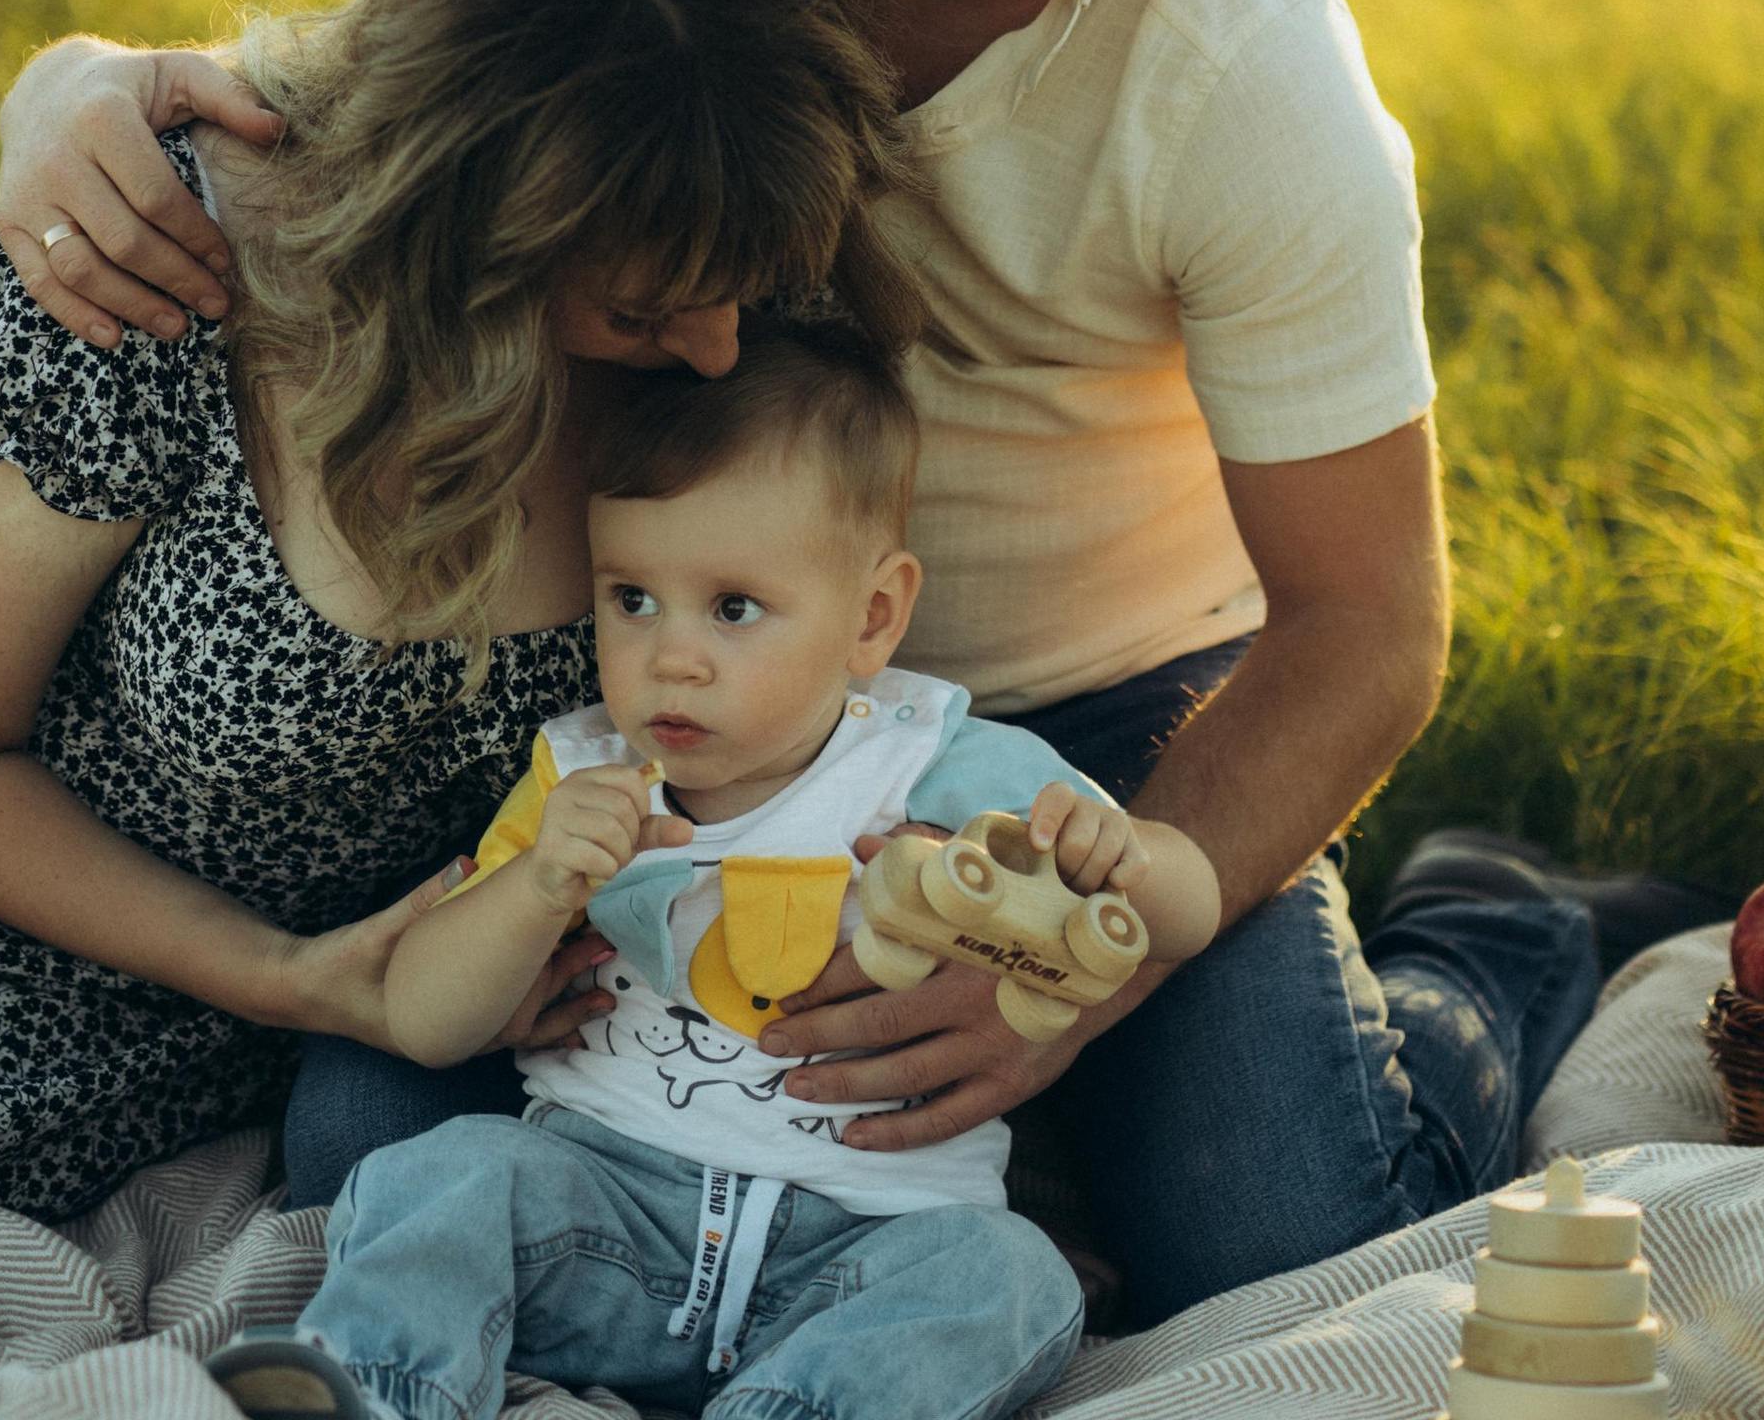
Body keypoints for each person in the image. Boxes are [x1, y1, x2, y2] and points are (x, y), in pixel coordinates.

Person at [0, 0, 1713, 1316]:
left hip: (1094, 735)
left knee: (1273, 1238)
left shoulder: (1244, 72)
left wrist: (1102, 954)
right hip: (658, 674)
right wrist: (77, 77)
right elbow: (391, 130)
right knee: (363, 1165)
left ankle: (1497, 937)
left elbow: (1370, 622)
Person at [0, 0, 918, 1225]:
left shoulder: (720, 260)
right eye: (648, 309)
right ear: (465, 234)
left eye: (738, 291)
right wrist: (294, 980)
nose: (724, 351)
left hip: (195, 1026)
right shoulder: (178, 270)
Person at [206, 322, 1219, 1420]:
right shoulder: (585, 775)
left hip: (860, 1247)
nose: (669, 655)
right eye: (630, 597)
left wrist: (1124, 860)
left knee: (1009, 1278)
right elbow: (428, 1018)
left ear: (871, 615)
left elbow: (1187, 911)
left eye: (734, 608)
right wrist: (537, 884)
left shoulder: (933, 758)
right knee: (438, 1171)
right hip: (603, 1216)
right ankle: (376, 1383)